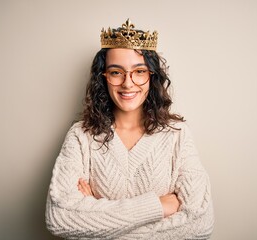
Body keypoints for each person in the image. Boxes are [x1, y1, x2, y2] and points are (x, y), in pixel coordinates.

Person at [45, 19, 214, 239]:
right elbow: (60, 217)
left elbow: (200, 224)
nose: (128, 83)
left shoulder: (177, 135)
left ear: (151, 77)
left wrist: (97, 216)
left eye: (139, 71)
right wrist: (159, 207)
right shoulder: (81, 136)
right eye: (116, 72)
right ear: (103, 77)